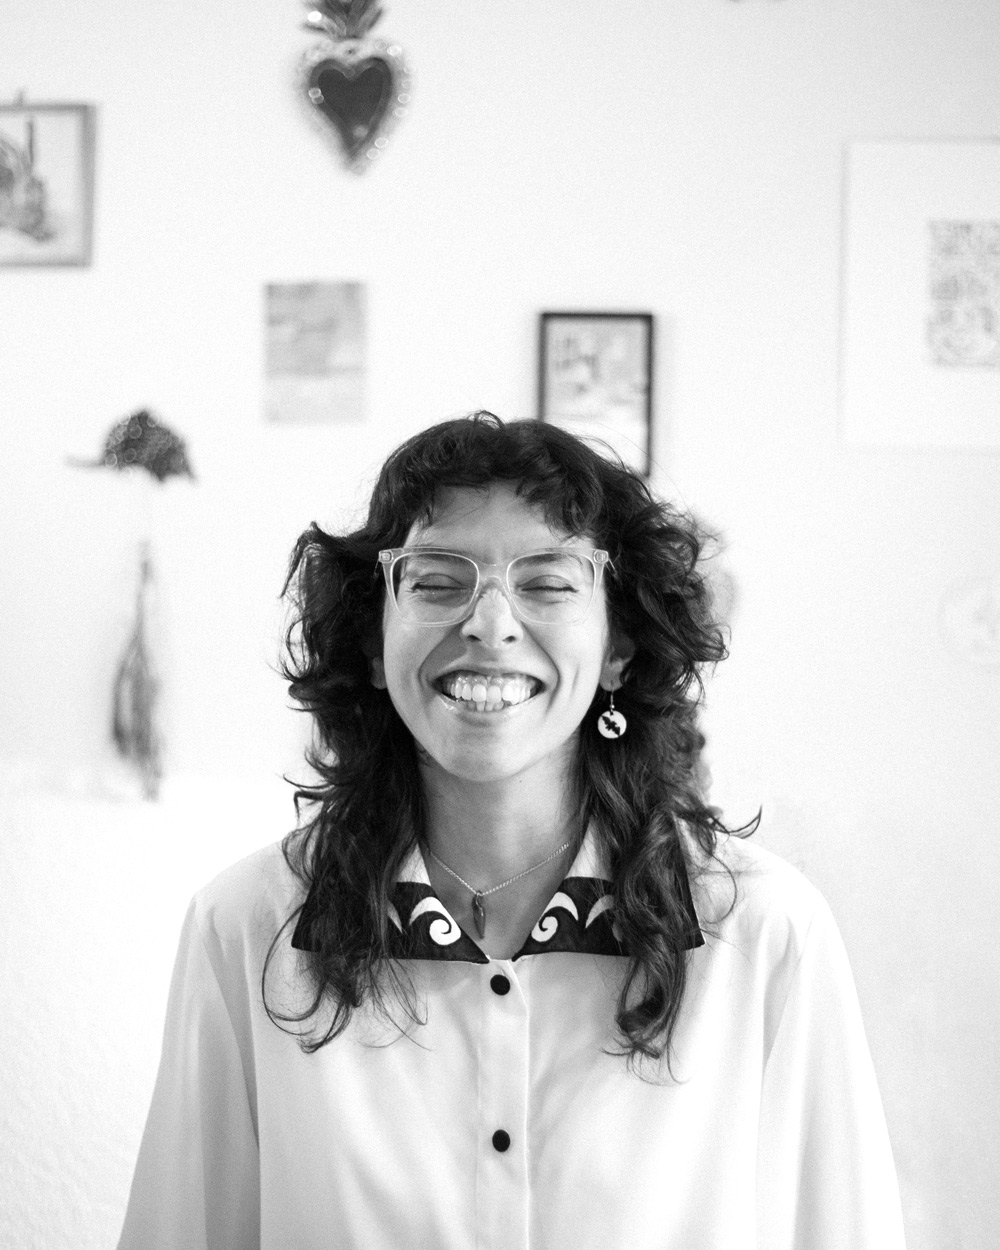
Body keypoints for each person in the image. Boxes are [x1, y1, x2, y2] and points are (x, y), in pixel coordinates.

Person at [117, 412, 906, 1250]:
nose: (489, 623)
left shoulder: (763, 935)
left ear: (619, 648)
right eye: (435, 581)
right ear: (375, 634)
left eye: (549, 582)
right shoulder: (248, 930)